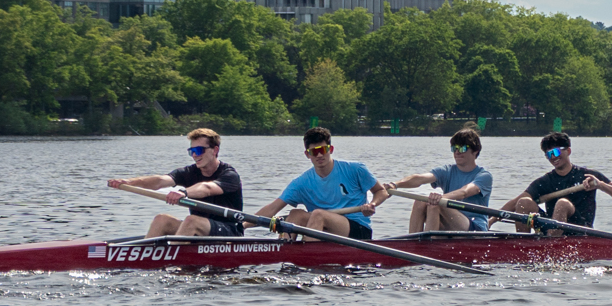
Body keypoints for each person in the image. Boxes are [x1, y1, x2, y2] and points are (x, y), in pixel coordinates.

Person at [252, 126, 389, 240]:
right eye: (314, 152)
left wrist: (372, 204)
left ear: (331, 149)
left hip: (358, 230)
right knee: (295, 214)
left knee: (318, 214)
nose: (319, 155)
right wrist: (242, 224)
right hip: (322, 228)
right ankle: (283, 253)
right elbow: (272, 209)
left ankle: (307, 260)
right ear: (307, 154)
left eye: (323, 150)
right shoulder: (301, 182)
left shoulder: (355, 169)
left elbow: (381, 191)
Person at [107, 128, 244, 239]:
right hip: (200, 229)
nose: (195, 155)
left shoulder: (229, 175)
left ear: (215, 150)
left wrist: (183, 192)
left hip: (229, 231)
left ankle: (172, 262)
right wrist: (129, 182)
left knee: (191, 220)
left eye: (199, 150)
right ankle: (144, 259)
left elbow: (207, 188)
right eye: (191, 151)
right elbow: (160, 181)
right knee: (162, 219)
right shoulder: (189, 172)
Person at [501, 131, 612, 235]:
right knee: (523, 203)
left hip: (580, 230)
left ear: (568, 151)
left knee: (563, 204)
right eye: (548, 154)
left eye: (555, 152)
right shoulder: (546, 181)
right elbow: (516, 201)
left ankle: (552, 246)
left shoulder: (588, 175)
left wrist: (600, 185)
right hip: (552, 226)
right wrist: (491, 220)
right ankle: (523, 245)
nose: (553, 158)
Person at [386, 128, 494, 232]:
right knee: (420, 201)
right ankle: (413, 243)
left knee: (437, 203)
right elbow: (419, 179)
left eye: (462, 148)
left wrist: (439, 198)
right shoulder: (447, 171)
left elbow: (464, 192)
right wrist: (395, 185)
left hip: (475, 227)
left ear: (475, 151)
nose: (457, 152)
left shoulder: (484, 176)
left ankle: (430, 245)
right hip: (451, 222)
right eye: (454, 148)